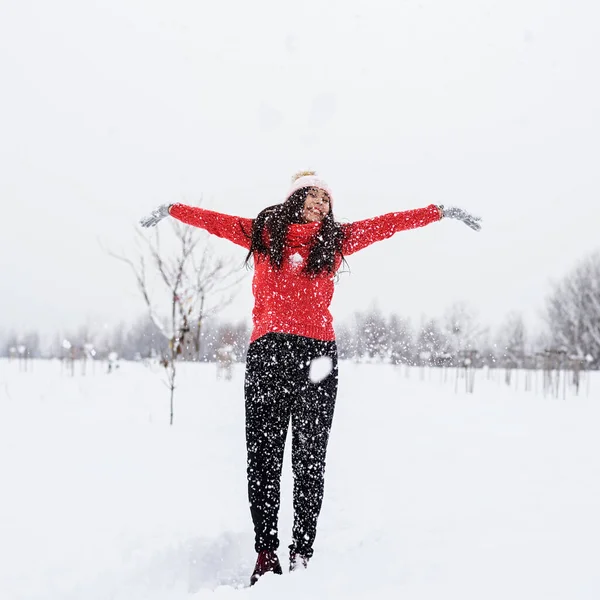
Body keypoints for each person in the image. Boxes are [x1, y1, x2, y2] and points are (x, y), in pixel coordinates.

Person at [139, 171, 481, 585]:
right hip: (268, 354)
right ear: (295, 198)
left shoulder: (336, 240)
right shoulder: (262, 234)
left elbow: (387, 224)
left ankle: (302, 553)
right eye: (314, 196)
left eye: (327, 200)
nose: (322, 205)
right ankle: (266, 552)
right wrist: (174, 209)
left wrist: (437, 212)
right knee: (263, 458)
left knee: (309, 459)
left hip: (317, 357)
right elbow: (215, 220)